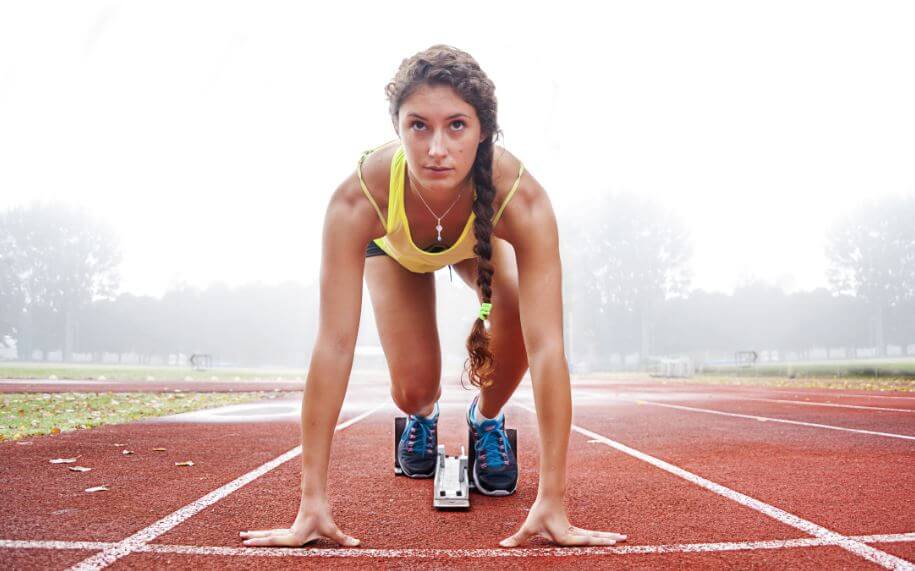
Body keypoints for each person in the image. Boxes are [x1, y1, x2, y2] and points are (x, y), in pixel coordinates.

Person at [240, 45, 627, 548]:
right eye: (418, 126)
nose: (436, 149)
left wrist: (553, 499)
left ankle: (485, 419)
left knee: (513, 303)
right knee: (414, 388)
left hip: (477, 239)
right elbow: (334, 345)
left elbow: (549, 346)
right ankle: (421, 417)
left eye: (456, 126)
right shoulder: (359, 200)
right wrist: (310, 501)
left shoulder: (521, 197)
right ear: (397, 126)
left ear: (483, 129)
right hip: (395, 251)